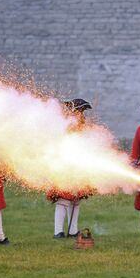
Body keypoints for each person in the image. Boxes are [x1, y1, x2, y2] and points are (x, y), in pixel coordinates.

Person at [48, 98, 93, 239]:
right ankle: (58, 231)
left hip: (79, 167)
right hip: (64, 167)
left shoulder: (83, 127)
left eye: (82, 112)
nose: (82, 114)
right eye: (80, 111)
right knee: (63, 199)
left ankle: (73, 230)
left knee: (76, 200)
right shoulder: (64, 126)